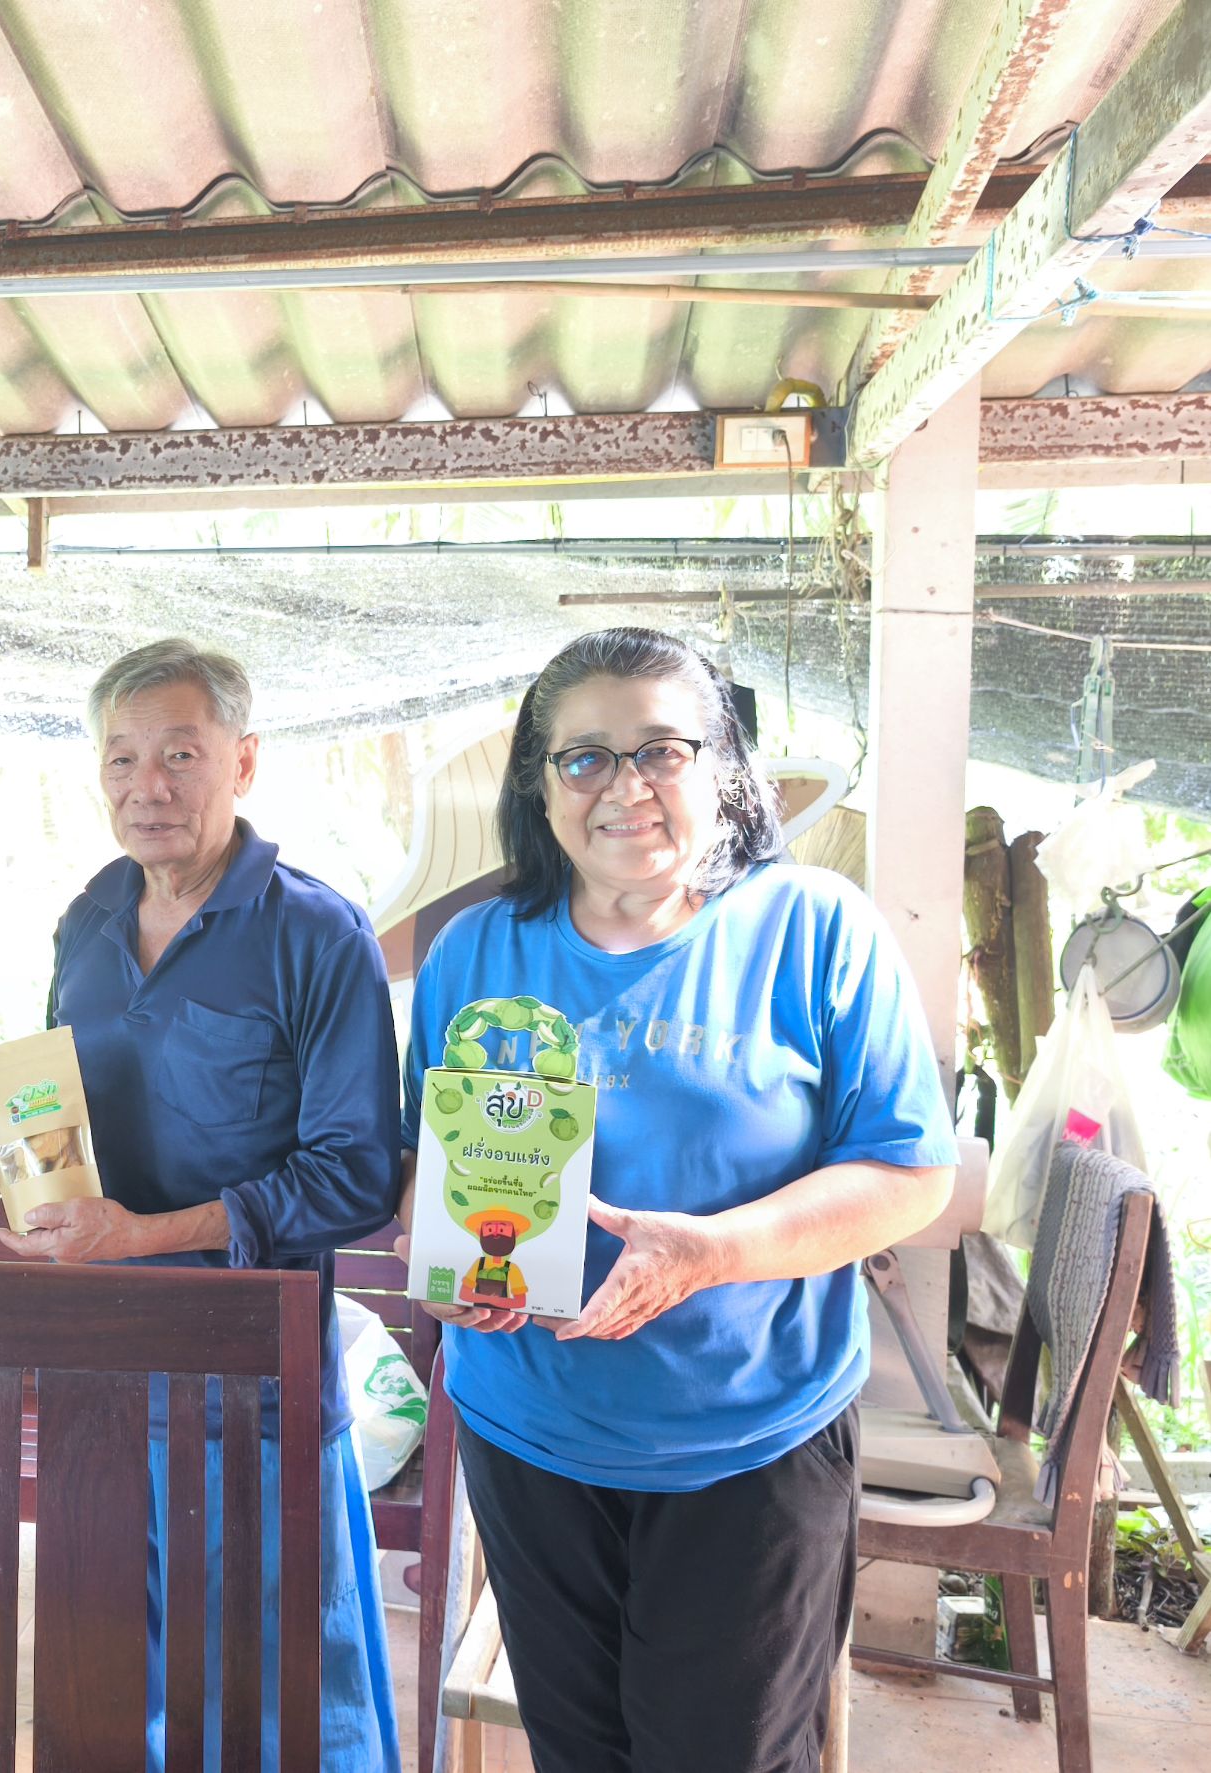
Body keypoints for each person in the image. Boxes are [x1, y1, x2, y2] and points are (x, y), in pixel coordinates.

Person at [397, 627, 958, 1773]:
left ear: (724, 771)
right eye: (586, 758)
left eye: (663, 750)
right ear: (541, 787)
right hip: (531, 1431)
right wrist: (453, 1270)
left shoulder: (815, 933)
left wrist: (714, 1252)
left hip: (746, 1436)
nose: (626, 787)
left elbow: (910, 1173)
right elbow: (441, 1161)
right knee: (580, 1754)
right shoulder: (474, 951)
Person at [0, 637, 404, 1771]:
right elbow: (67, 1112)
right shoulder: (88, 922)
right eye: (120, 760)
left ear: (244, 761)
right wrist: (14, 1141)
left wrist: (150, 1234)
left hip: (252, 1387)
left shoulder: (316, 934)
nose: (146, 787)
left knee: (282, 1698)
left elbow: (359, 1174)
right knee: (120, 1678)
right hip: (101, 1381)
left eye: (179, 753)